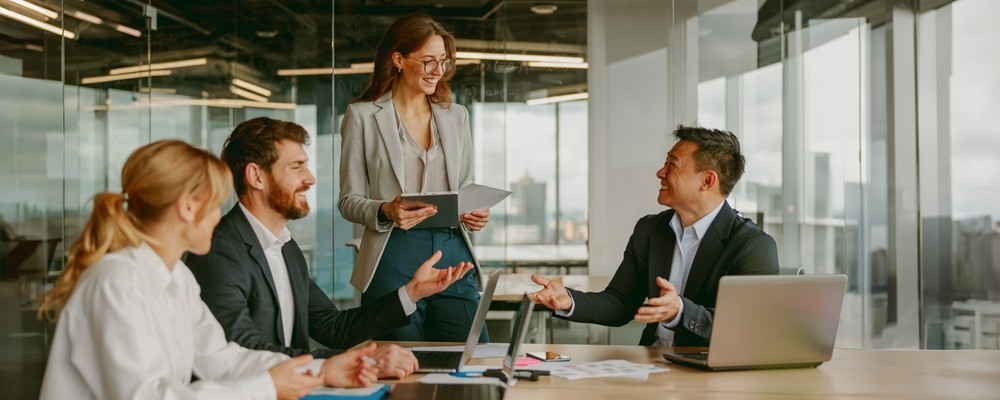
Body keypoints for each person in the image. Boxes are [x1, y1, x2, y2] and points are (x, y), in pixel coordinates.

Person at [36, 140, 378, 400]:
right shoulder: (116, 280)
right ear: (187, 207)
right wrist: (268, 386)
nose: (220, 217)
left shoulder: (178, 277)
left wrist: (320, 370)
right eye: (215, 205)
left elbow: (223, 359)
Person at [186, 117, 473, 379]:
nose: (310, 178)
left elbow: (333, 327)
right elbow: (244, 352)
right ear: (256, 176)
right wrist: (359, 362)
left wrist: (413, 292)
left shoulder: (285, 247)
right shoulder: (219, 251)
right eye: (297, 167)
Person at [531, 126, 780, 347]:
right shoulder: (650, 229)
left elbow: (746, 329)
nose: (660, 172)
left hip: (709, 376)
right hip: (652, 366)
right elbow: (620, 303)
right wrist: (569, 300)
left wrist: (680, 311)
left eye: (672, 164)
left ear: (707, 180)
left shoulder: (753, 245)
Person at [339, 13, 490, 342]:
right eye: (428, 61)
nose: (438, 71)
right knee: (401, 363)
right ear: (398, 60)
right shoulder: (362, 116)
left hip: (453, 249)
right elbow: (348, 201)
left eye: (444, 62)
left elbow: (464, 188)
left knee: (473, 355)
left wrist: (473, 212)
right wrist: (385, 210)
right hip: (393, 250)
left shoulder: (456, 116)